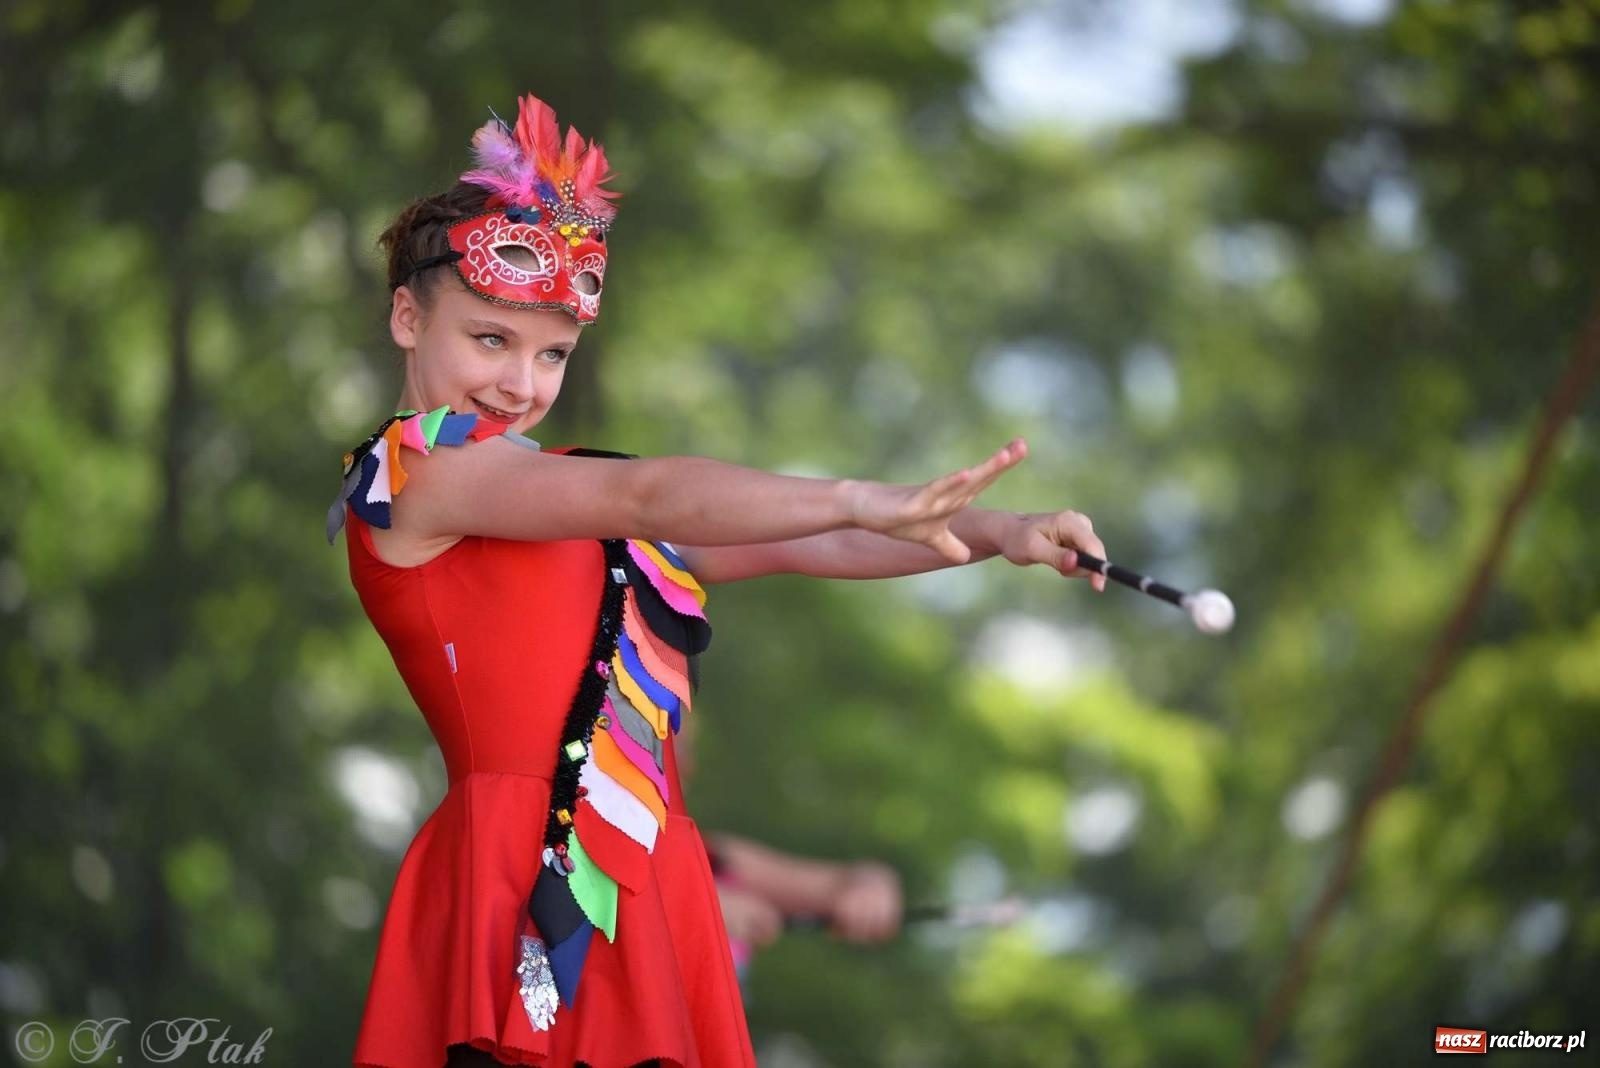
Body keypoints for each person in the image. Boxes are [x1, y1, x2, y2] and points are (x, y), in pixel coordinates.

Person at [330, 92, 1107, 1068]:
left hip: (647, 885)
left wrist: (999, 528)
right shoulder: (418, 475)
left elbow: (816, 544)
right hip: (519, 888)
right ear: (408, 315)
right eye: (490, 339)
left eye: (553, 353)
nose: (520, 383)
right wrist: (861, 494)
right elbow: (655, 496)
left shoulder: (573, 505)